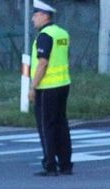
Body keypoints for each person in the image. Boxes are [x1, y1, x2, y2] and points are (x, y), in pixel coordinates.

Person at [28, 0, 72, 176]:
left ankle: (50, 164)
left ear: (45, 16)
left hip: (47, 87)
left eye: (36, 15)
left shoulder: (45, 36)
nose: (33, 19)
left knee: (47, 126)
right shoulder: (62, 33)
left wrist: (33, 87)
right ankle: (66, 163)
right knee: (61, 124)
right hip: (63, 85)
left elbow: (42, 63)